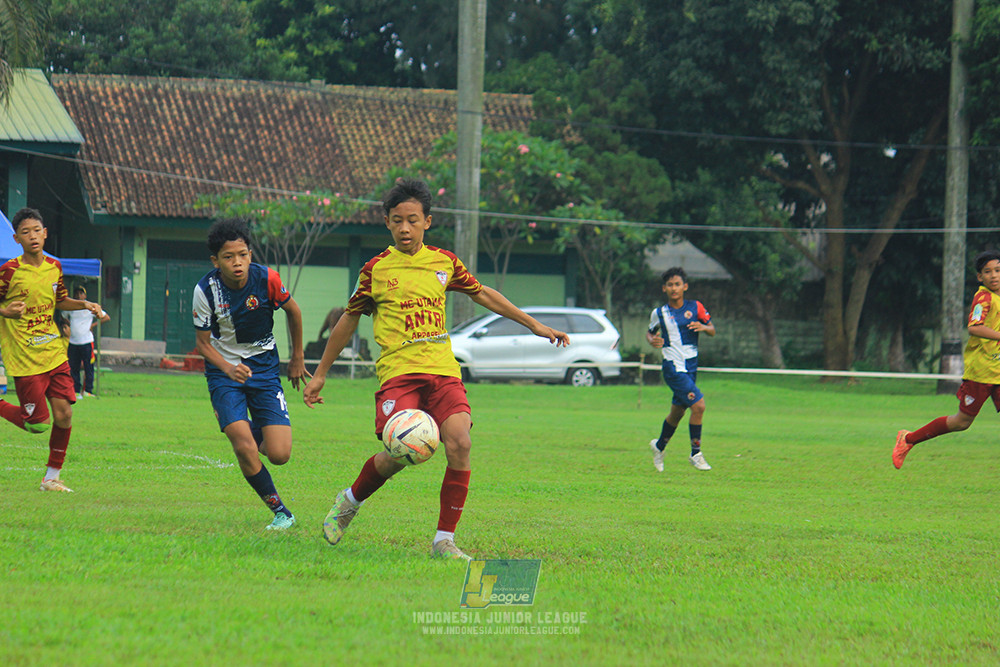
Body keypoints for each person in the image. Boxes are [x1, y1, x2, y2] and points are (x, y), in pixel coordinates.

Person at [303, 178, 570, 560]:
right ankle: (349, 502)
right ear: (387, 222)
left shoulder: (444, 262)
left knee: (460, 442)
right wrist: (320, 373)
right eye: (397, 220)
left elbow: (483, 293)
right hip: (399, 374)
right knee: (400, 452)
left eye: (413, 220)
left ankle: (444, 541)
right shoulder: (376, 269)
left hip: (443, 370)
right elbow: (349, 318)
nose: (405, 228)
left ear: (427, 221)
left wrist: (535, 325)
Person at [193, 218, 307, 530]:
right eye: (228, 257)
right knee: (242, 444)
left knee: (279, 454)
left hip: (265, 368)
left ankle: (246, 427)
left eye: (242, 255)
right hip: (223, 371)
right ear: (216, 261)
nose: (237, 262)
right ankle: (281, 512)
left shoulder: (267, 279)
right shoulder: (204, 291)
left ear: (250, 254)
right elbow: (202, 344)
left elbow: (294, 312)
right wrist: (228, 368)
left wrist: (297, 358)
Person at [0, 207, 104, 492]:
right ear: (16, 238)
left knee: (64, 414)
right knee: (36, 424)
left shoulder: (54, 267)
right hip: (24, 357)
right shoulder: (9, 272)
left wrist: (84, 304)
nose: (32, 236)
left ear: (45, 233)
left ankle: (51, 478)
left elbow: (60, 300)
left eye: (37, 230)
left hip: (54, 352)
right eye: (25, 232)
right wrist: (5, 311)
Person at [894, 250, 1000, 468]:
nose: (994, 275)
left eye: (998, 270)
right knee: (962, 422)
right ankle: (908, 439)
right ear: (980, 277)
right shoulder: (984, 298)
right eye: (988, 272)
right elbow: (974, 327)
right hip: (981, 372)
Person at [647, 267, 716, 473]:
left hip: (690, 367)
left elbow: (712, 330)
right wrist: (652, 340)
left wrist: (704, 327)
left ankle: (659, 446)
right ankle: (696, 454)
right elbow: (650, 332)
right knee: (699, 406)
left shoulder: (696, 307)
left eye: (677, 284)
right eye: (670, 285)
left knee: (677, 413)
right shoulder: (659, 313)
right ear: (664, 288)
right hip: (673, 367)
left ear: (685, 286)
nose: (674, 288)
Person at [65, 285, 109, 398]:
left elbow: (105, 317)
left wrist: (93, 325)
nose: (78, 295)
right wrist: (69, 325)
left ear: (85, 295)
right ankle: (75, 390)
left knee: (88, 366)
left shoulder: (90, 307)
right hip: (73, 342)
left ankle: (88, 390)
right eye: (77, 293)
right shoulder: (71, 307)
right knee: (73, 367)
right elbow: (63, 316)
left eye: (81, 293)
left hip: (86, 341)